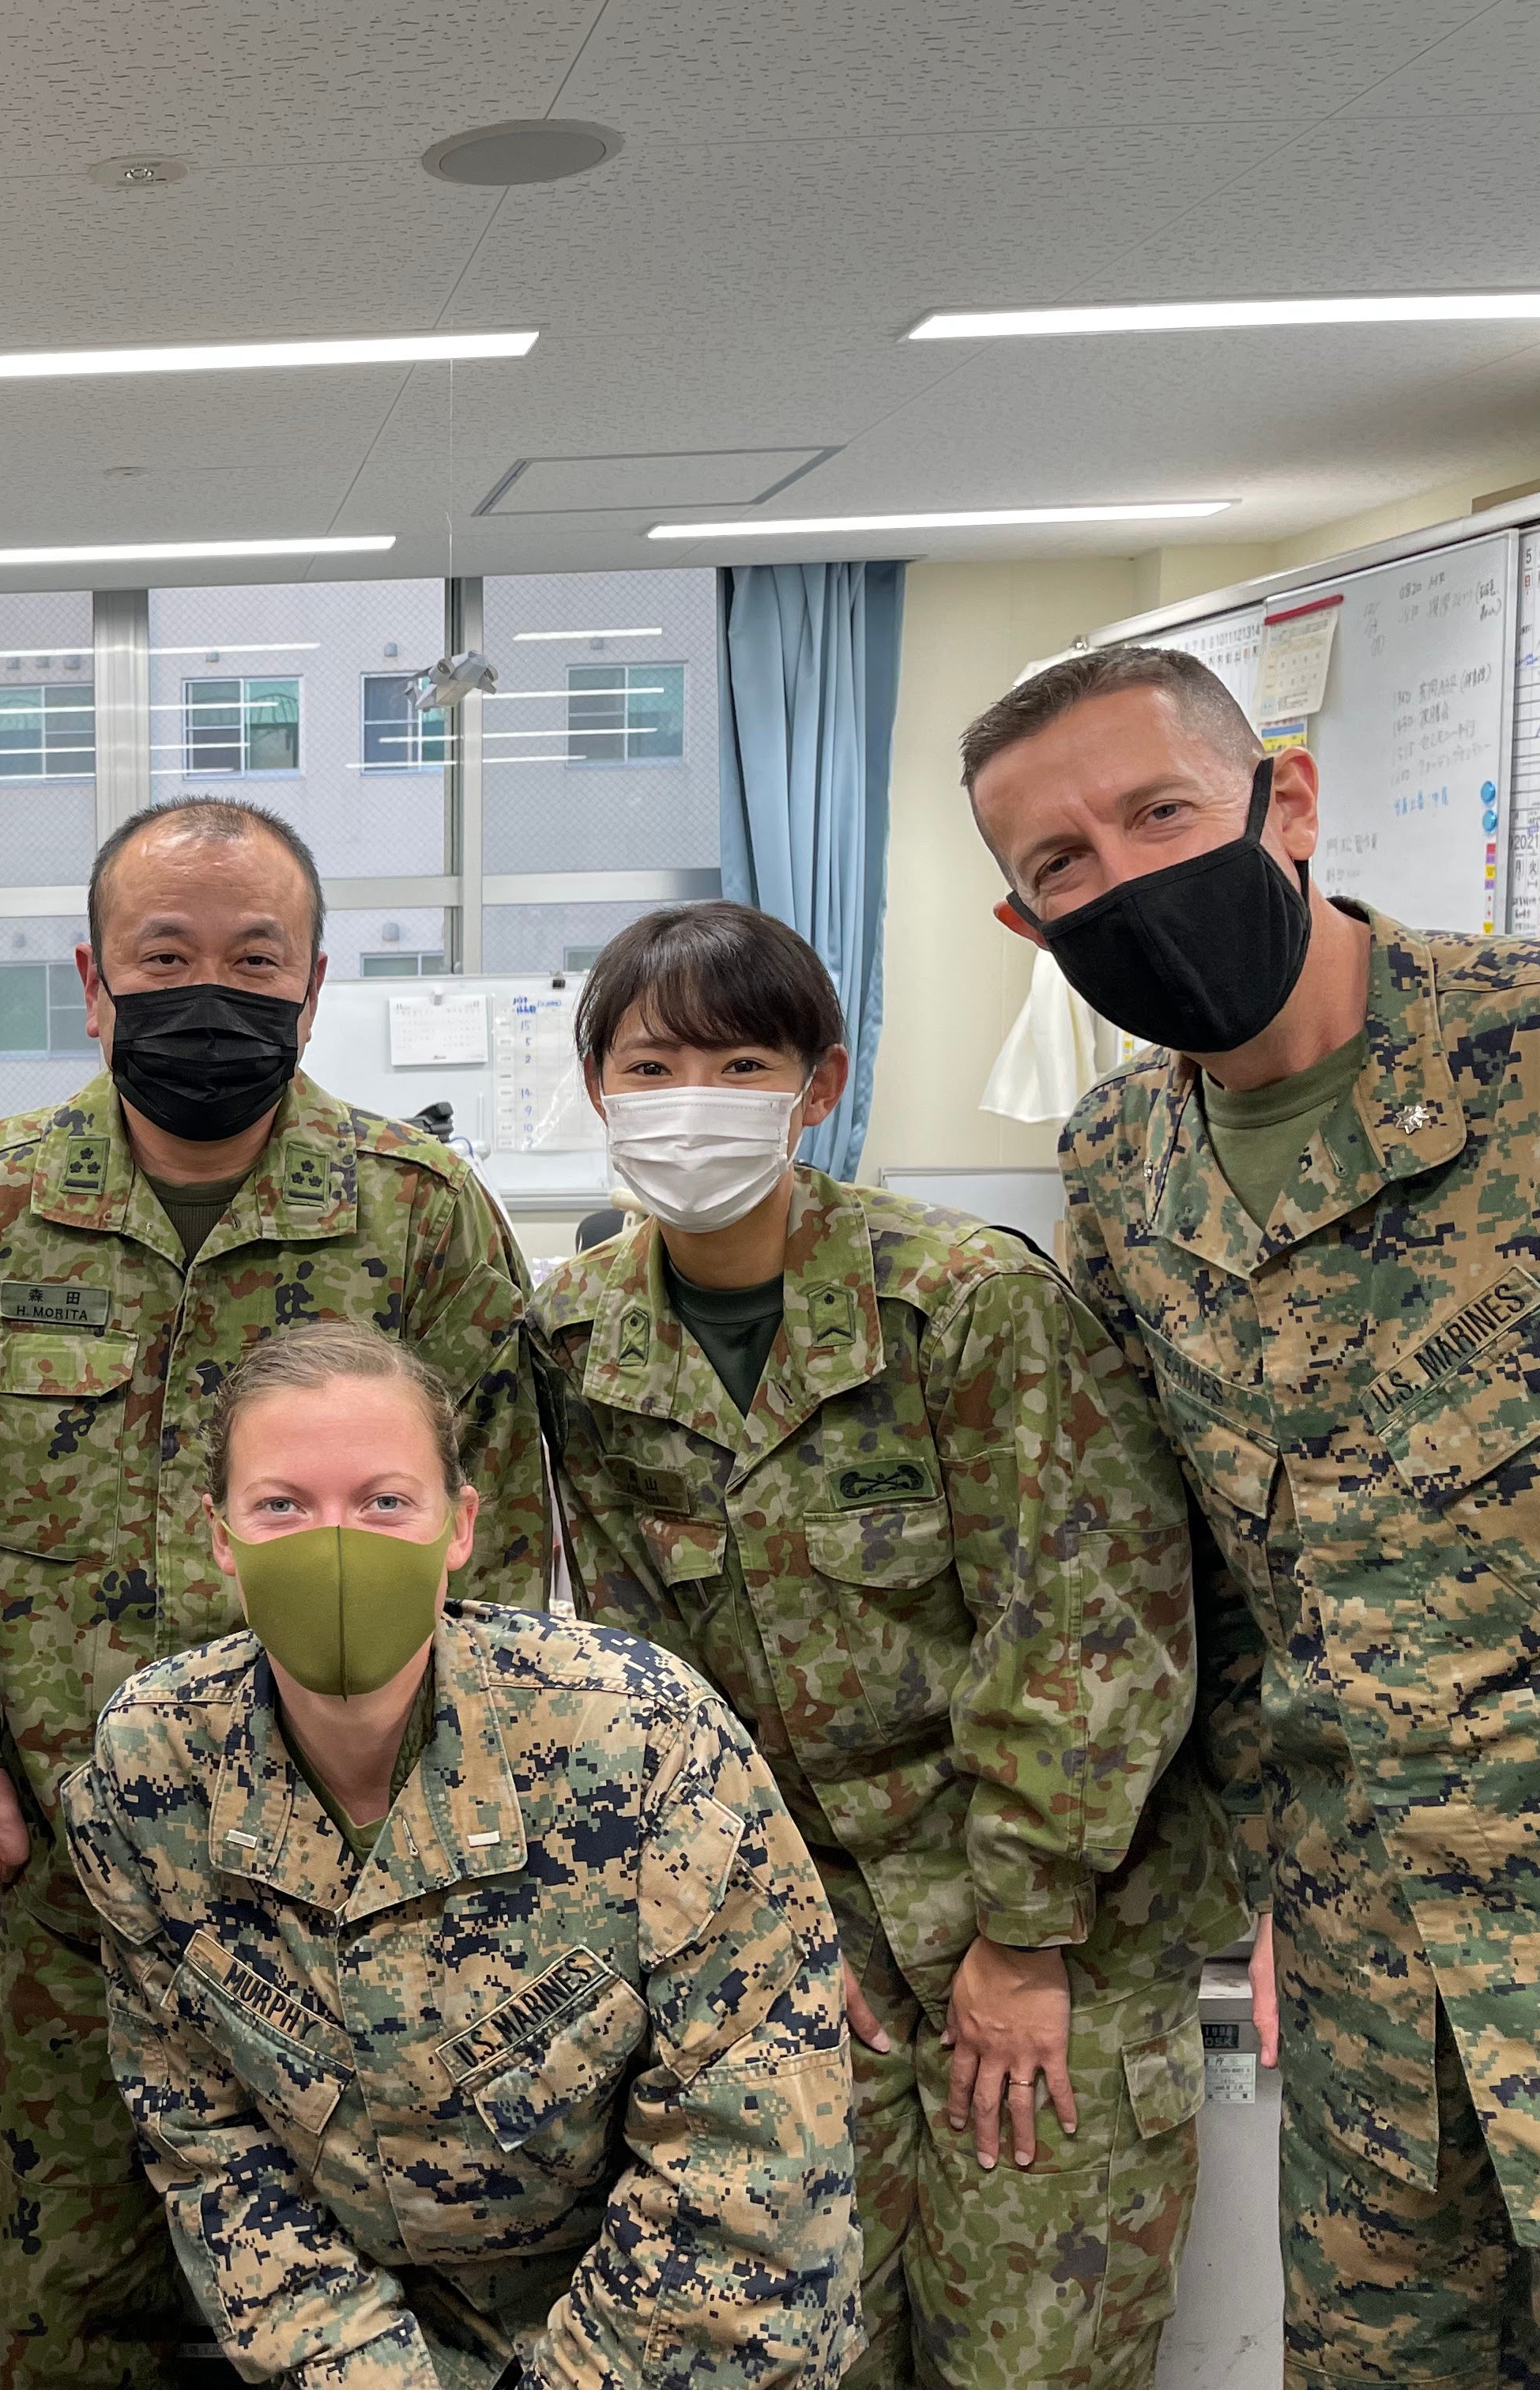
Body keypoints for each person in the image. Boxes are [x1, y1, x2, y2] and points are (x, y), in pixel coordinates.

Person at [523, 902, 1244, 2390]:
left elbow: (1095, 1629)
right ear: (597, 1087)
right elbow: (639, 1675)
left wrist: (1023, 1932)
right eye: (652, 1066)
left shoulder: (960, 1302)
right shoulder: (578, 1339)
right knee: (797, 2350)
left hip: (1051, 1941)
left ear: (819, 1081)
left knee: (1021, 2361)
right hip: (795, 1953)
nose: (692, 1102)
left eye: (739, 1062)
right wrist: (757, 1920)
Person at [0, 797, 552, 2389]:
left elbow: (495, 1527)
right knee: (61, 2289)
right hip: (68, 1864)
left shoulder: (416, 1211)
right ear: (93, 985)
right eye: (163, 956)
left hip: (356, 1874)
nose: (210, 989)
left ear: (314, 985)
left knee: (367, 2284)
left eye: (254, 958)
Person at [966, 642, 1540, 2384]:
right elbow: (1185, 1565)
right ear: (1028, 930)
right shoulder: (1121, 1165)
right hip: (1371, 1953)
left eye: (1160, 814)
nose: (1124, 879)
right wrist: (1260, 1879)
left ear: (1286, 801)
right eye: (1063, 865)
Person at [63, 1319, 858, 2388]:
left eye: (385, 1502)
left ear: (459, 1527)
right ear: (220, 1536)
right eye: (283, 1507)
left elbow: (749, 2166)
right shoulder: (155, 1771)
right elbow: (209, 2141)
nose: (334, 1544)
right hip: (368, 2347)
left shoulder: (643, 1741)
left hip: (662, 2342)